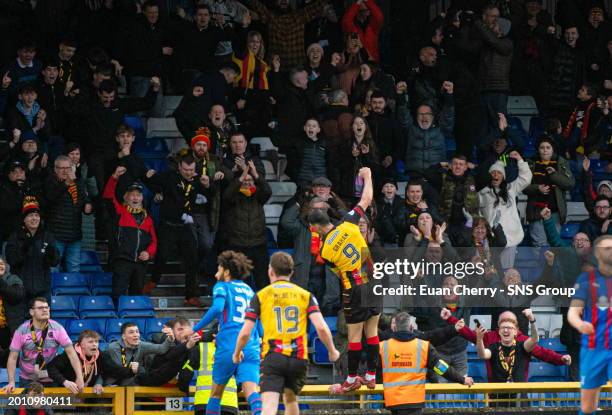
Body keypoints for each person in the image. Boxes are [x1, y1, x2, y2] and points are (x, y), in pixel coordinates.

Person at [233, 252, 340, 415]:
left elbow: (245, 333)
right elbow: (322, 328)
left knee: (269, 404)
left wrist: (237, 352)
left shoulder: (261, 296)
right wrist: (332, 351)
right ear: (291, 272)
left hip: (273, 356)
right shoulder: (305, 295)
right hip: (298, 358)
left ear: (270, 271)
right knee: (290, 399)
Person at [308, 167, 380, 392]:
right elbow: (367, 197)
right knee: (373, 334)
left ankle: (351, 378)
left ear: (315, 228)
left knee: (355, 337)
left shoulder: (325, 252)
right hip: (374, 283)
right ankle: (371, 375)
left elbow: (337, 272)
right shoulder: (349, 222)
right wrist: (367, 176)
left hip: (354, 289)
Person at [191, 251, 262, 415]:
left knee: (216, 393)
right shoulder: (250, 291)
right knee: (251, 391)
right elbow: (259, 325)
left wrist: (195, 329)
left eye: (219, 268)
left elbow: (217, 308)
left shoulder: (222, 286)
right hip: (251, 346)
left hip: (229, 345)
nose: (217, 273)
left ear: (227, 272)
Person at [145, 154, 210, 306]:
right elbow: (151, 180)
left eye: (191, 170)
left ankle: (191, 296)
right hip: (168, 225)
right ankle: (152, 282)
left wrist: (207, 186)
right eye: (186, 169)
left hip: (186, 226)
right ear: (180, 167)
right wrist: (151, 180)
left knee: (192, 260)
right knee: (162, 256)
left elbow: (209, 194)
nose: (188, 172)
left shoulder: (199, 180)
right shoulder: (169, 177)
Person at [379, 312, 473, 415]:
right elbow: (440, 368)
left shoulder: (383, 347)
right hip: (414, 402)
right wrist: (462, 379)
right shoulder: (423, 346)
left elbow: (373, 366)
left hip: (392, 402)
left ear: (395, 328)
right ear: (411, 327)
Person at [568, 235, 612, 415]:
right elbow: (573, 312)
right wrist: (580, 325)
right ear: (597, 253)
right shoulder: (586, 279)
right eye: (607, 248)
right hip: (593, 348)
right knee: (587, 408)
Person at [5, 297, 82, 392]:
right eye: (40, 308)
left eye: (47, 307)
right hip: (28, 379)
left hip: (51, 377)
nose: (45, 310)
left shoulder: (57, 328)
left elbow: (72, 354)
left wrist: (79, 377)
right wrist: (11, 382)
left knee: (51, 406)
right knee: (29, 406)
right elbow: (12, 357)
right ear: (32, 312)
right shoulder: (21, 330)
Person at [103, 167, 157, 302]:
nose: (135, 197)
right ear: (125, 197)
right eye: (132, 194)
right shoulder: (120, 212)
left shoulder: (148, 219)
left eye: (138, 195)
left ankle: (134, 321)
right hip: (122, 261)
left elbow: (154, 242)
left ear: (142, 198)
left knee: (137, 296)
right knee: (118, 295)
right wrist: (114, 178)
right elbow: (108, 196)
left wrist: (148, 253)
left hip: (140, 264)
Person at [220, 159, 272, 290]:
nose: (247, 182)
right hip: (238, 245)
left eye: (250, 180)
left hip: (258, 244)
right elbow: (227, 195)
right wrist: (242, 175)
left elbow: (267, 191)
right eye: (244, 180)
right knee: (241, 282)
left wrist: (255, 173)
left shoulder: (258, 196)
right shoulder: (233, 197)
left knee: (263, 282)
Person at [478, 151, 532, 268]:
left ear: (503, 176)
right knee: (489, 269)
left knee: (507, 270)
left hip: (510, 236)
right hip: (491, 238)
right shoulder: (482, 194)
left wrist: (520, 160)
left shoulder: (510, 189)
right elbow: (475, 213)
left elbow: (526, 179)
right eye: (493, 172)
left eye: (499, 173)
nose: (496, 175)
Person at [476, 309, 538, 407]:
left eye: (509, 328)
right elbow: (482, 354)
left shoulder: (522, 346)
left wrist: (532, 320)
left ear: (515, 332)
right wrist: (479, 339)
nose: (505, 330)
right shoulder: (494, 347)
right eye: (503, 328)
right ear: (499, 332)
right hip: (498, 398)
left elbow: (534, 339)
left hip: (519, 398)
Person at [6, 197, 59, 306]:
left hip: (42, 290)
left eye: (36, 215)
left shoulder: (47, 236)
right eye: (30, 215)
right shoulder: (15, 237)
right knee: (21, 323)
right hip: (21, 290)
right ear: (24, 219)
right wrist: (24, 248)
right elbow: (11, 260)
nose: (34, 218)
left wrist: (51, 254)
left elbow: (55, 262)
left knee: (42, 322)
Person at [43, 155, 92, 272]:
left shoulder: (77, 183)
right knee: (53, 267)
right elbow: (50, 198)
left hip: (75, 235)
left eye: (68, 168)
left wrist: (89, 205)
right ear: (55, 169)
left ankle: (73, 290)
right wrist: (66, 184)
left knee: (74, 267)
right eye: (61, 168)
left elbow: (85, 199)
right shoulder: (50, 182)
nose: (65, 171)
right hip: (56, 235)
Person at [48, 329, 135, 394]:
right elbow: (51, 368)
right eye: (90, 342)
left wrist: (132, 371)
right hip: (64, 393)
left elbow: (115, 370)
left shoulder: (101, 355)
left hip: (86, 395)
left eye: (96, 342)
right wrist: (65, 382)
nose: (94, 344)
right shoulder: (70, 354)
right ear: (81, 344)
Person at [178, 326, 238, 415]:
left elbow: (185, 373)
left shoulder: (200, 349)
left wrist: (184, 389)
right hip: (228, 404)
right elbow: (241, 378)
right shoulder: (236, 350)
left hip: (204, 403)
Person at [104, 322, 174, 386]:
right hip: (112, 383)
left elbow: (161, 349)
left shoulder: (141, 345)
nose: (136, 335)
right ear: (124, 336)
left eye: (137, 332)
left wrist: (170, 338)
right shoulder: (113, 347)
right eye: (131, 332)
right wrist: (135, 369)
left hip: (130, 384)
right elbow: (119, 369)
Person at [138, 318, 201, 386]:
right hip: (151, 378)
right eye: (186, 337)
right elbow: (170, 354)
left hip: (168, 381)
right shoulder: (166, 337)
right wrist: (187, 345)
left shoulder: (185, 343)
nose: (188, 338)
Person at [0, 257, 25, 354]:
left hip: (8, 329)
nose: (0, 266)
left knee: (9, 360)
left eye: (2, 263)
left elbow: (17, 296)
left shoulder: (13, 279)